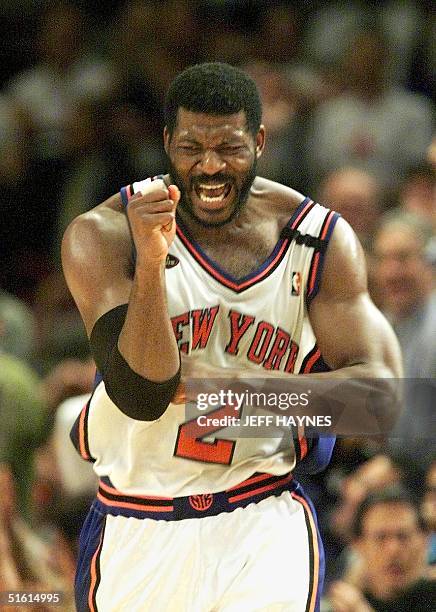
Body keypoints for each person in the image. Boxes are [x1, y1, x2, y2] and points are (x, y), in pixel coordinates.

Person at [62, 62, 401, 611]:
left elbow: (382, 403)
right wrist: (152, 264)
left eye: (230, 147)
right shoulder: (103, 234)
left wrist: (235, 395)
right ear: (167, 143)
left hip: (262, 515)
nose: (211, 166)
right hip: (140, 516)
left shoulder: (317, 240)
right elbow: (142, 394)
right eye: (192, 147)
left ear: (261, 142)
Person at [328, 488, 436, 611]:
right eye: (380, 537)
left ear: (425, 539)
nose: (393, 549)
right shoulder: (345, 603)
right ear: (359, 545)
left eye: (403, 536)